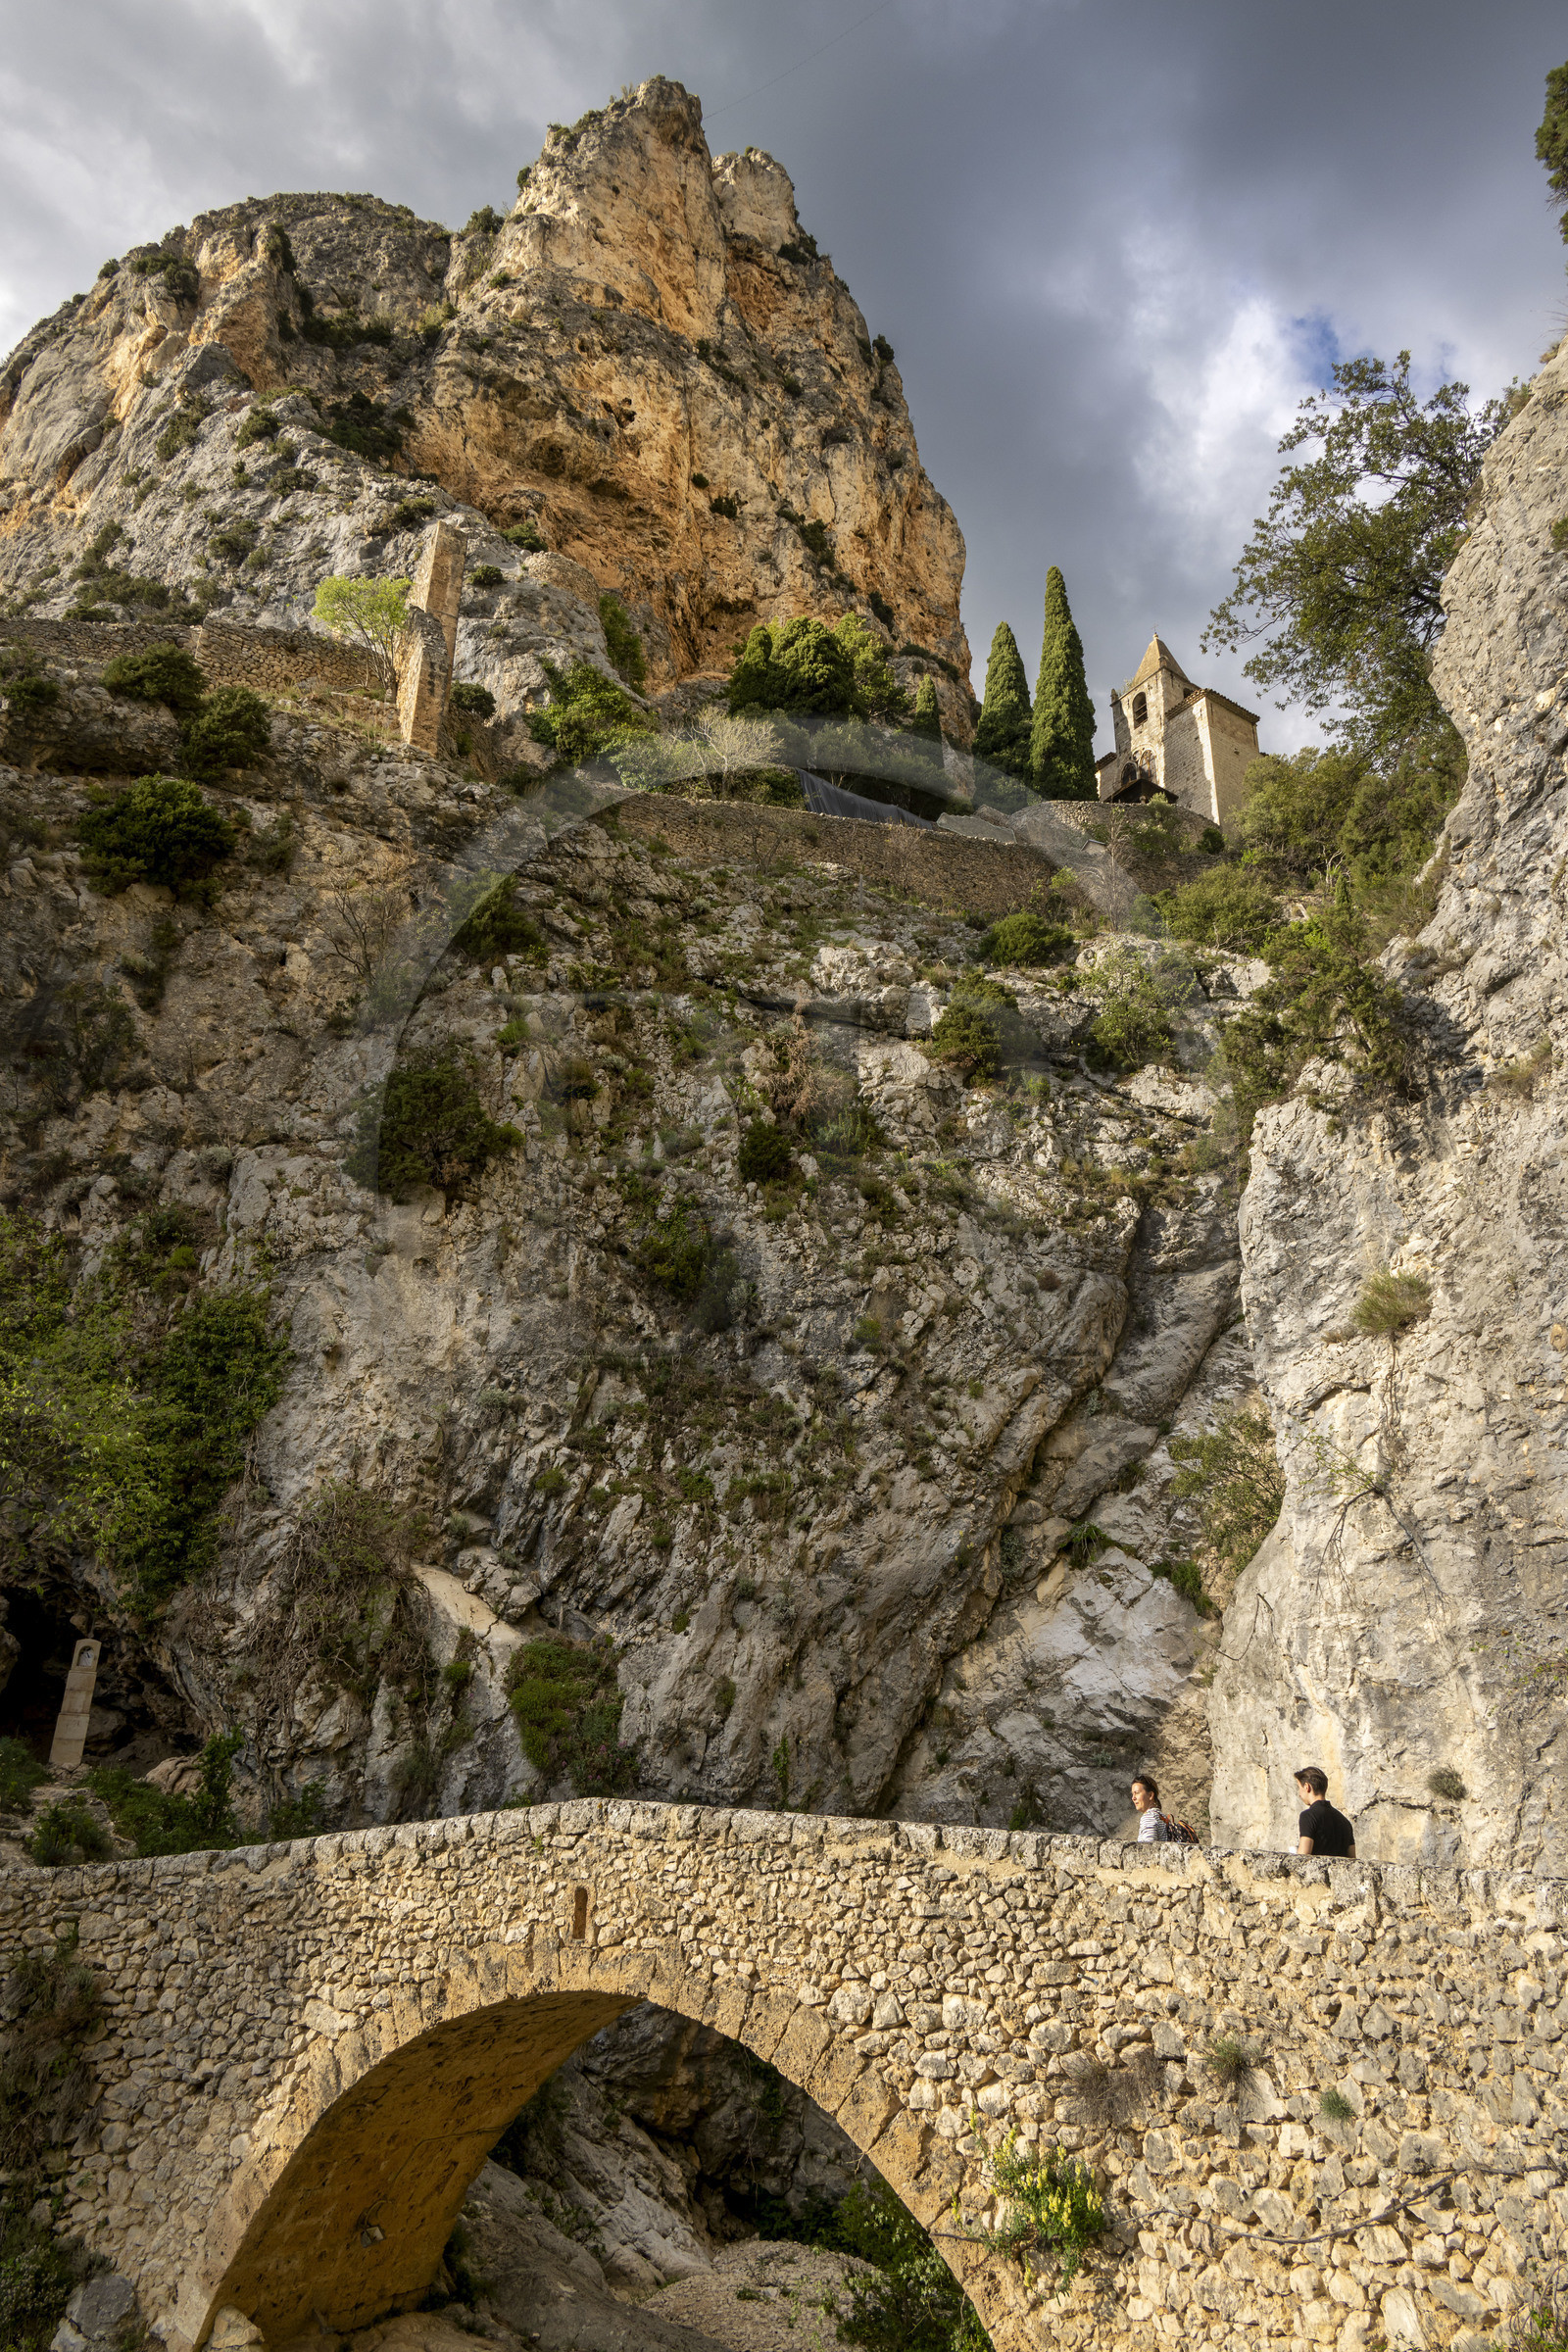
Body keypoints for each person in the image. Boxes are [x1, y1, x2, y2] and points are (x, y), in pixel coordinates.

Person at [1295, 1765, 1355, 1858]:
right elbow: (1352, 1859)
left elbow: (1303, 1857)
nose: (1299, 1794)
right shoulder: (1344, 1821)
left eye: (1299, 1787)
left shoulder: (1308, 1816)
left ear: (1307, 1787)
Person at [1131, 1774, 1171, 1841]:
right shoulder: (1162, 1817)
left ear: (1150, 1795)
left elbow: (1149, 1847)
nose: (1133, 1798)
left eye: (1137, 1793)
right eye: (1132, 1794)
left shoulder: (1149, 1817)